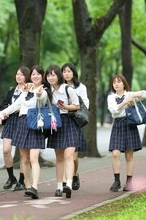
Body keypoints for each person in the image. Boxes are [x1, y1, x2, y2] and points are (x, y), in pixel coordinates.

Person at [0, 65, 47, 199]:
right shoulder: (25, 91)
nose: (35, 76)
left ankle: (35, 187)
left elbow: (42, 101)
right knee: (24, 159)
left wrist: (38, 94)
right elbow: (15, 106)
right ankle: (27, 185)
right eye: (33, 74)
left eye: (38, 74)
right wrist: (0, 115)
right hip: (22, 124)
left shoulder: (43, 90)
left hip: (35, 124)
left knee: (33, 158)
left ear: (42, 76)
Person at [107, 74, 146, 192]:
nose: (116, 84)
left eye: (119, 81)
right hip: (118, 124)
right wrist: (125, 102)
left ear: (124, 83)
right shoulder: (111, 98)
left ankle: (129, 182)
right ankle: (117, 181)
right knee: (115, 153)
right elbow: (114, 111)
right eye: (114, 82)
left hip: (130, 124)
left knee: (129, 156)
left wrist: (133, 95)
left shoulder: (130, 94)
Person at [45, 65, 80, 198]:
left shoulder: (68, 89)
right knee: (59, 158)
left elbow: (77, 106)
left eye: (53, 75)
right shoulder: (47, 91)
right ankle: (59, 186)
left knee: (69, 156)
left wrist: (65, 106)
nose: (51, 77)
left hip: (69, 122)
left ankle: (69, 185)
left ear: (58, 76)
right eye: (48, 75)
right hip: (56, 124)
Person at [0, 66, 30, 191]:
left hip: (23, 120)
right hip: (11, 121)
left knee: (23, 153)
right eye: (17, 74)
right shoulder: (12, 90)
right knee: (6, 150)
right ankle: (11, 177)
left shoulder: (30, 90)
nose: (18, 76)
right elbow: (3, 105)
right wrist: (0, 116)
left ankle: (22, 181)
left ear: (26, 77)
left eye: (21, 74)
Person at [61, 63, 89, 191]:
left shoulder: (80, 87)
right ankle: (66, 181)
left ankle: (74, 174)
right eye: (64, 71)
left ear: (73, 73)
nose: (66, 74)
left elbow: (84, 104)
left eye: (69, 71)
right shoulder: (58, 87)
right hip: (62, 121)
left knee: (74, 156)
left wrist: (71, 106)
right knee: (63, 155)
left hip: (75, 121)